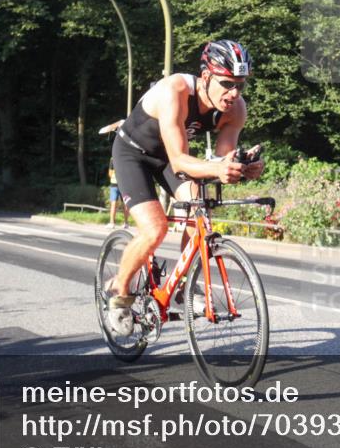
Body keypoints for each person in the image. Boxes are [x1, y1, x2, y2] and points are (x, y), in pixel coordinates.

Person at [106, 39, 264, 335]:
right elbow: (180, 161)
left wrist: (243, 168)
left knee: (199, 212)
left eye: (241, 85)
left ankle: (180, 287)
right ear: (206, 77)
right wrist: (219, 167)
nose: (234, 93)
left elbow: (220, 161)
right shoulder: (174, 90)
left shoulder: (235, 109)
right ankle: (119, 291)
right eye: (227, 83)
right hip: (132, 153)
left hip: (169, 157)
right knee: (155, 229)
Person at [105, 158, 129, 229]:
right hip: (120, 184)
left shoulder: (114, 158)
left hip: (119, 184)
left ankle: (115, 223)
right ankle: (123, 223)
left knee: (117, 204)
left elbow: (110, 173)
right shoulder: (124, 158)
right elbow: (110, 172)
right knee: (122, 204)